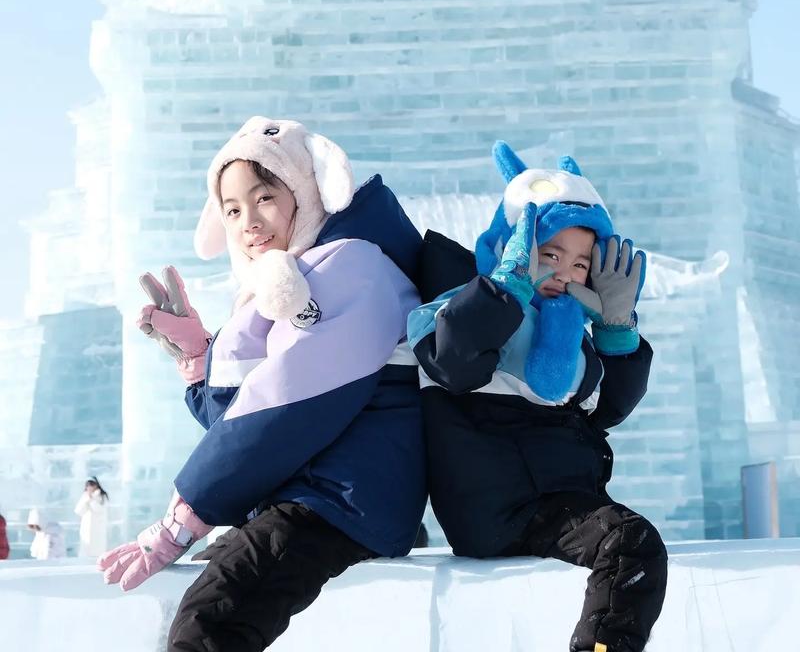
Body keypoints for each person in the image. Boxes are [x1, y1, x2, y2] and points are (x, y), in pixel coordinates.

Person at [99, 117, 426, 652]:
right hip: (313, 498)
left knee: (211, 623)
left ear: (305, 190)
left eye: (265, 196)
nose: (249, 220)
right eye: (232, 209)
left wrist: (184, 518)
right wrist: (199, 357)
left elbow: (285, 411)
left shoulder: (353, 266)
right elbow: (243, 416)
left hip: (345, 503)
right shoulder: (287, 281)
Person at [408, 142, 668, 652]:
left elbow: (609, 410)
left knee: (625, 542)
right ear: (511, 246)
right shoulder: (458, 308)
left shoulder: (570, 333)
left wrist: (618, 333)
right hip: (502, 506)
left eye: (580, 263)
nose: (565, 274)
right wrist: (504, 290)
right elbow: (453, 363)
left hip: (551, 498)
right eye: (549, 254)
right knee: (630, 543)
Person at [74, 477, 109, 558]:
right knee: (86, 545)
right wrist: (87, 499)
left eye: (92, 485)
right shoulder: (85, 496)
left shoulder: (102, 496)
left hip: (98, 525)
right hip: (86, 525)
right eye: (88, 485)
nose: (90, 487)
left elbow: (99, 509)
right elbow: (78, 510)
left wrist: (92, 500)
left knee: (97, 545)